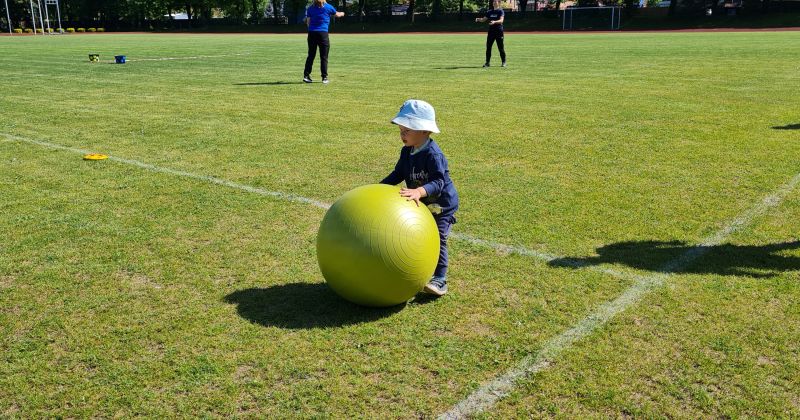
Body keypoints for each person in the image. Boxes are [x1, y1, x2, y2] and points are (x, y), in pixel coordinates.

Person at [380, 100, 459, 297]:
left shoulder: (433, 155)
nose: (402, 134)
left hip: (442, 205)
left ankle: (440, 279)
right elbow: (398, 173)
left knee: (438, 237)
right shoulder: (407, 151)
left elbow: (438, 182)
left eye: (407, 130)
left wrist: (419, 191)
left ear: (424, 131)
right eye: (400, 129)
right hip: (422, 203)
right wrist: (378, 188)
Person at [303, 0, 344, 84]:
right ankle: (324, 77)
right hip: (323, 34)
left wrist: (312, 29)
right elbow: (337, 15)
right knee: (324, 57)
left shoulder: (310, 8)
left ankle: (306, 76)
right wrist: (343, 13)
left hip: (312, 33)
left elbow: (308, 22)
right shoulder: (329, 7)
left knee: (311, 55)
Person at [475, 0, 507, 67]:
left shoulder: (500, 11)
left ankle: (504, 62)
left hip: (499, 32)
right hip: (491, 32)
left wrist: (494, 22)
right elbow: (484, 19)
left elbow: (501, 21)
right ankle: (487, 63)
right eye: (493, 2)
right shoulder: (489, 12)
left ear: (499, 3)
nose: (494, 2)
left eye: (496, 1)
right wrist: (478, 19)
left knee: (500, 48)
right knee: (488, 47)